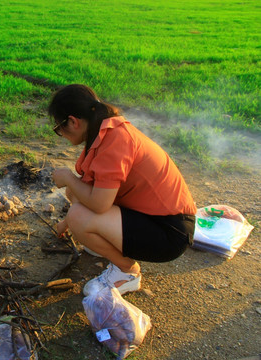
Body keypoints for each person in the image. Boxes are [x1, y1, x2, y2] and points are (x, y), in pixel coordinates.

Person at [49, 84, 197, 296]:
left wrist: (68, 179)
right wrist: (64, 225)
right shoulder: (106, 131)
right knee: (77, 195)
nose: (60, 134)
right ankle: (105, 242)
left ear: (73, 121)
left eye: (59, 128)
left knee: (79, 214)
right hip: (154, 217)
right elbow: (90, 189)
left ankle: (127, 271)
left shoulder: (115, 140)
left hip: (170, 232)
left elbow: (99, 204)